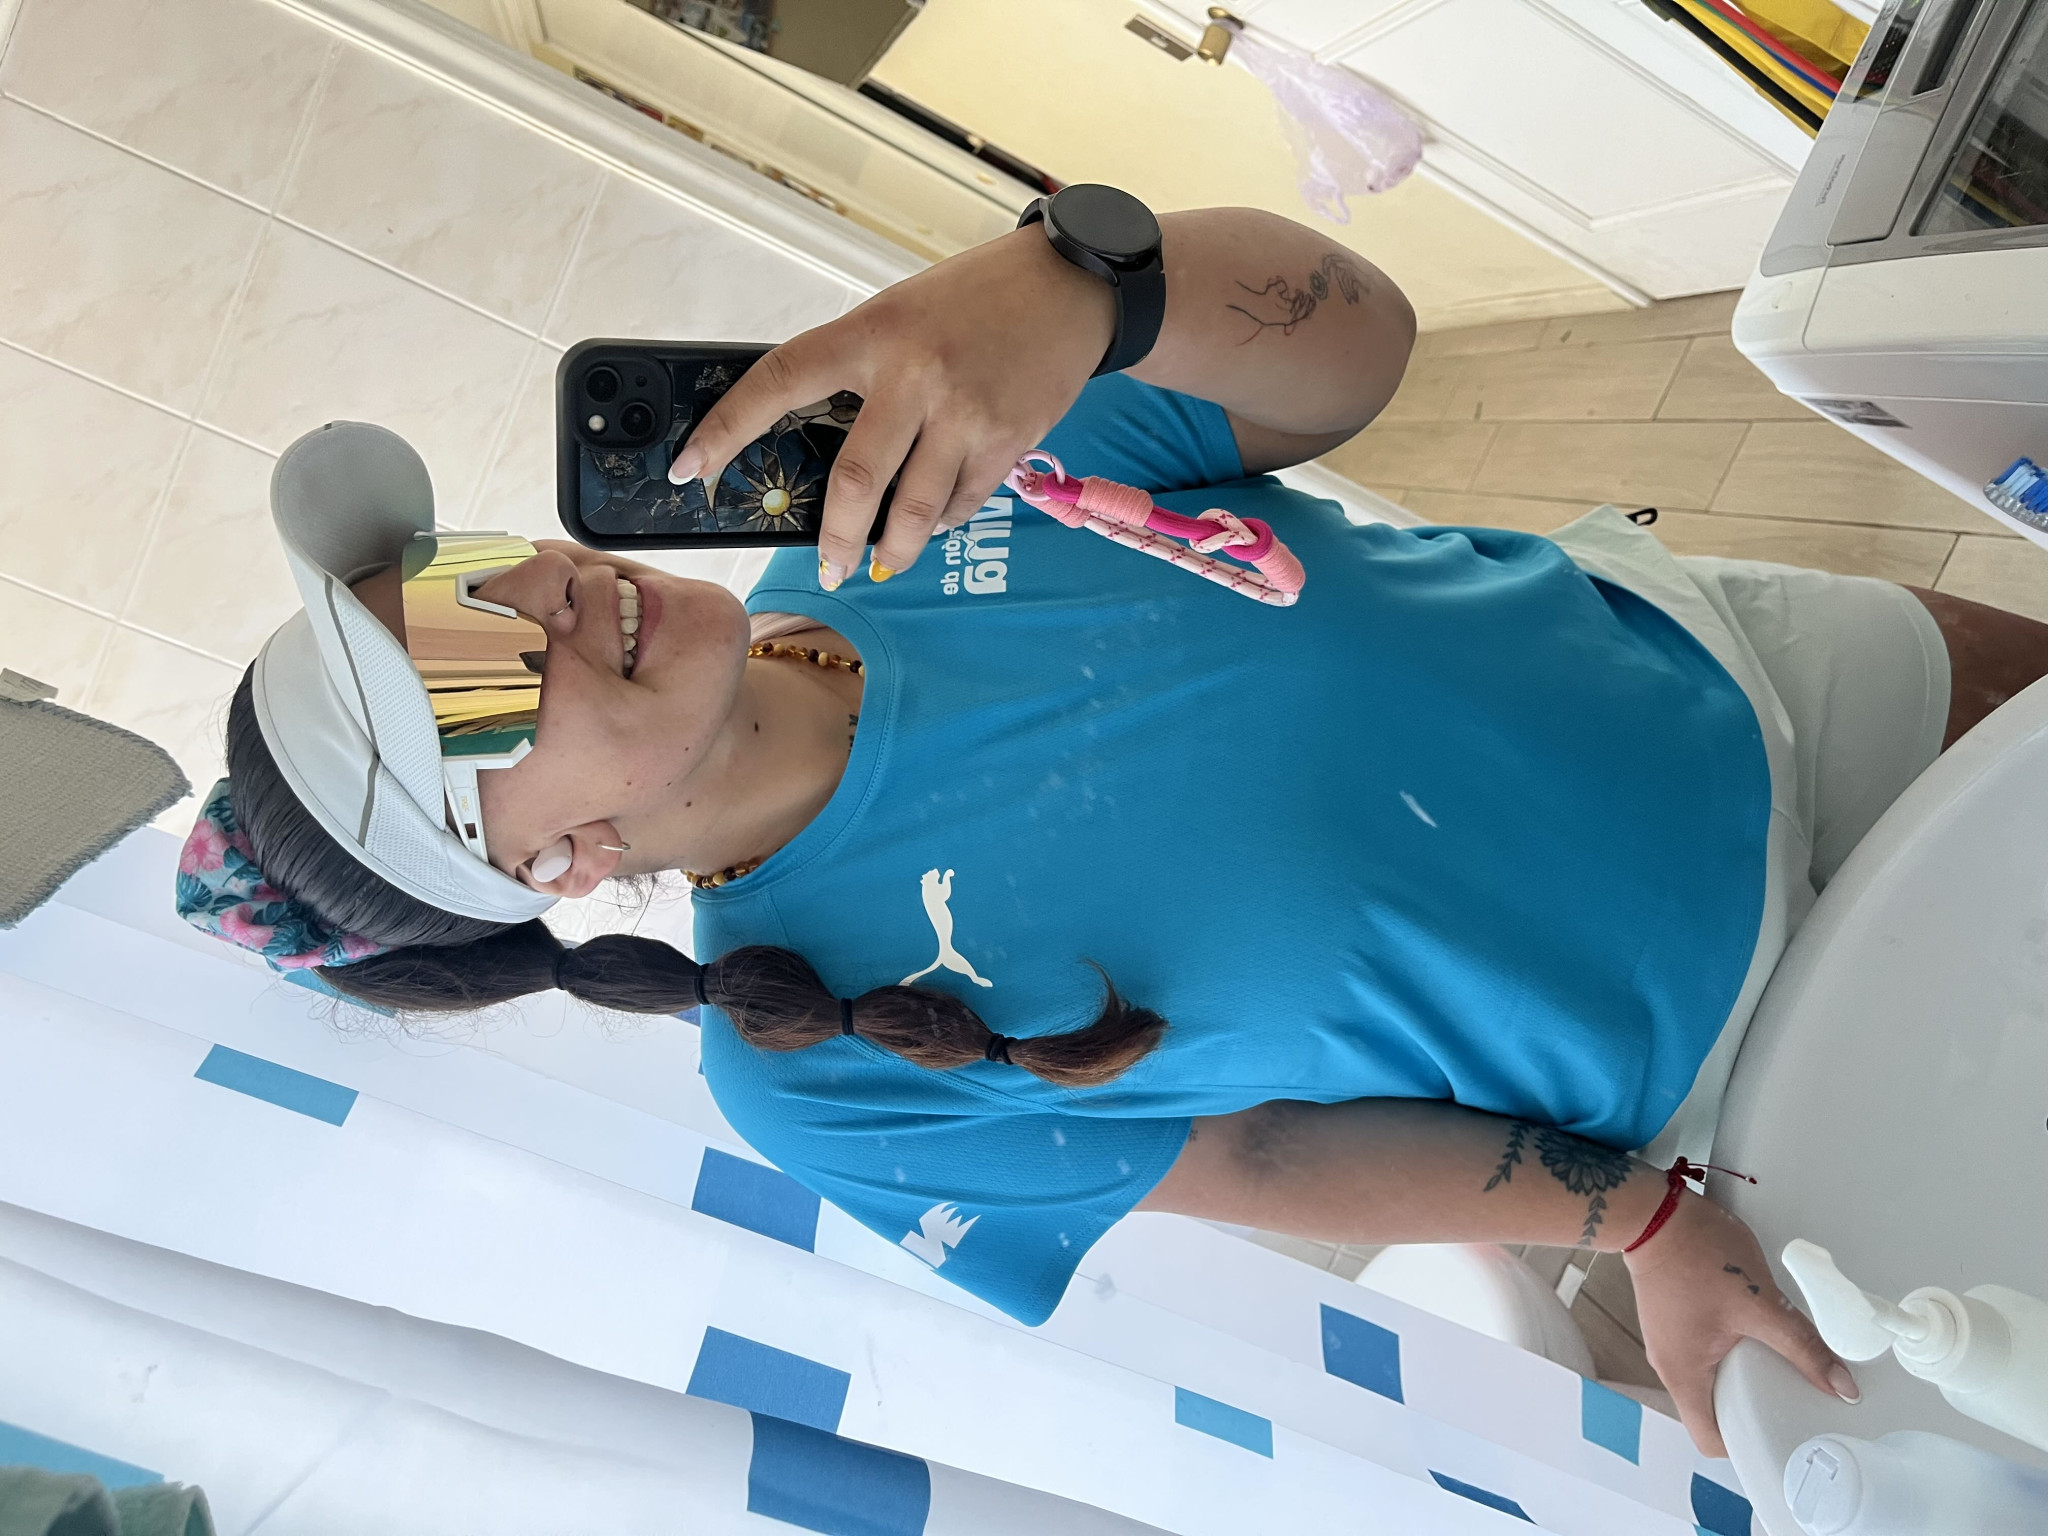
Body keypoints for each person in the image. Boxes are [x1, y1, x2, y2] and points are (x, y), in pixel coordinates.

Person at [177, 199, 2048, 1458]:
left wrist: (1090, 285)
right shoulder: (813, 1073)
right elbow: (1255, 1158)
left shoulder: (902, 502)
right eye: (471, 687)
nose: (535, 602)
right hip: (1750, 1065)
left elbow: (1363, 351)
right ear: (553, 870)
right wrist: (1634, 1216)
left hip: (1774, 679)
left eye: (467, 580)